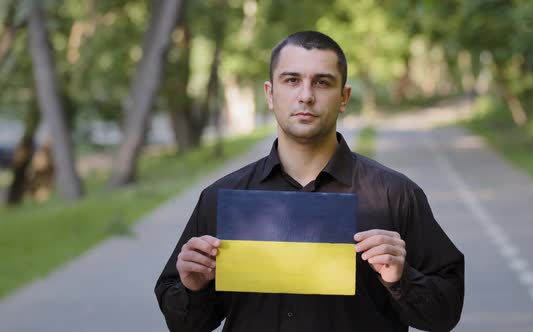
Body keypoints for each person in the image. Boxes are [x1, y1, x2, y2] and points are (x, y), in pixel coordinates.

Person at [155, 30, 464, 332]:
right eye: (292, 80)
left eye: (322, 82)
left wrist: (401, 279)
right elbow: (185, 325)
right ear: (270, 94)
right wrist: (193, 288)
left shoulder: (394, 195)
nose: (306, 95)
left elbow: (444, 315)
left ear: (344, 98)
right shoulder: (222, 197)